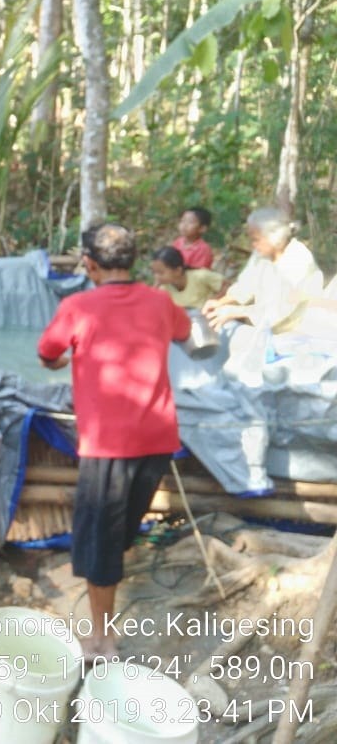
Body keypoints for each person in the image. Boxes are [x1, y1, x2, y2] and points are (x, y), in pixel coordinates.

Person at [37, 224, 191, 660]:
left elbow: (48, 354)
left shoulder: (77, 306)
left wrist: (64, 360)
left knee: (100, 540)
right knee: (119, 532)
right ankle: (106, 600)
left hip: (109, 445)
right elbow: (185, 333)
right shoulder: (161, 302)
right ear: (134, 261)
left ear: (88, 265)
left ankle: (101, 640)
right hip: (158, 439)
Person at [202, 207, 323, 333]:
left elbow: (278, 310)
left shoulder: (299, 261)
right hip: (268, 331)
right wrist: (221, 302)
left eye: (256, 239)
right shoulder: (262, 253)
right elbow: (245, 285)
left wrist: (236, 311)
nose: (252, 244)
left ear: (275, 237)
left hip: (299, 334)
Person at [150, 246, 224, 309]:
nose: (156, 276)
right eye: (154, 272)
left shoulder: (200, 276)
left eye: (161, 273)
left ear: (178, 270)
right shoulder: (164, 288)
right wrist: (155, 287)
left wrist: (214, 301)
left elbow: (226, 286)